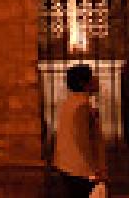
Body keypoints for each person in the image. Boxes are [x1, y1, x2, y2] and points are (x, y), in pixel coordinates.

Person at [50, 63, 106, 197]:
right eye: (92, 77)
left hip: (68, 166)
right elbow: (83, 141)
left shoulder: (71, 102)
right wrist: (95, 170)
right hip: (80, 169)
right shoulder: (81, 106)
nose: (96, 79)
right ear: (83, 83)